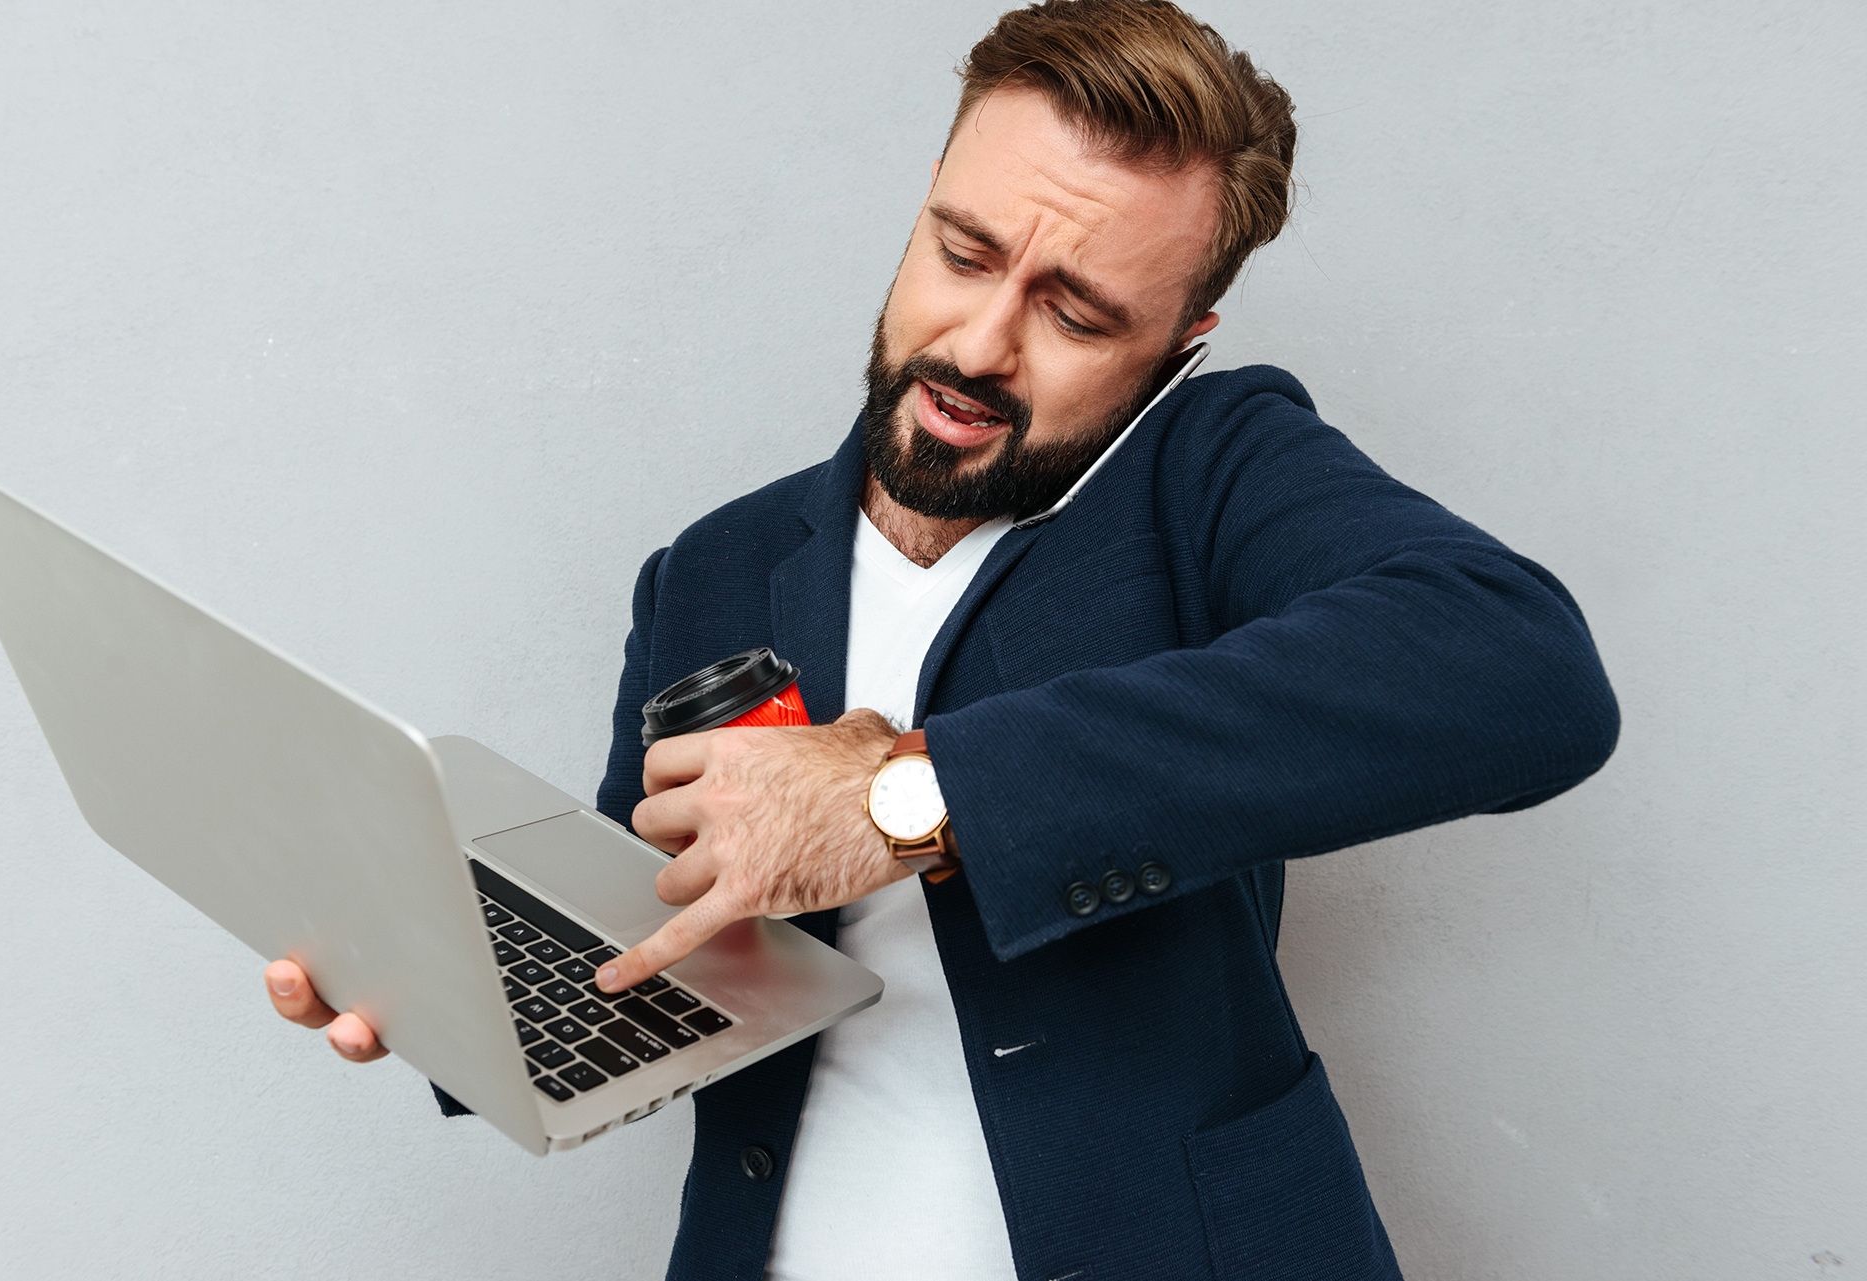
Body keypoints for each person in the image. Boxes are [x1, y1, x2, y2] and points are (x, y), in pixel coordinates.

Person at [265, 2, 1620, 1276]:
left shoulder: (1212, 468)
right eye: (963, 251)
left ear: (1178, 344)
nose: (980, 343)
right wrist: (449, 990)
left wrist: (911, 797)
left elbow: (1520, 668)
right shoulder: (716, 566)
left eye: (1076, 312)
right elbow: (669, 962)